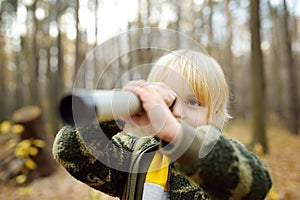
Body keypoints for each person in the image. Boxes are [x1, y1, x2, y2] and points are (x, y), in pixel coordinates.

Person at [52, 49, 272, 200]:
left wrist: (178, 135)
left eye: (193, 102)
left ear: (214, 113)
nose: (178, 112)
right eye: (166, 100)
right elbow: (70, 152)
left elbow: (258, 185)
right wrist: (115, 115)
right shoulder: (136, 155)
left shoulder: (221, 156)